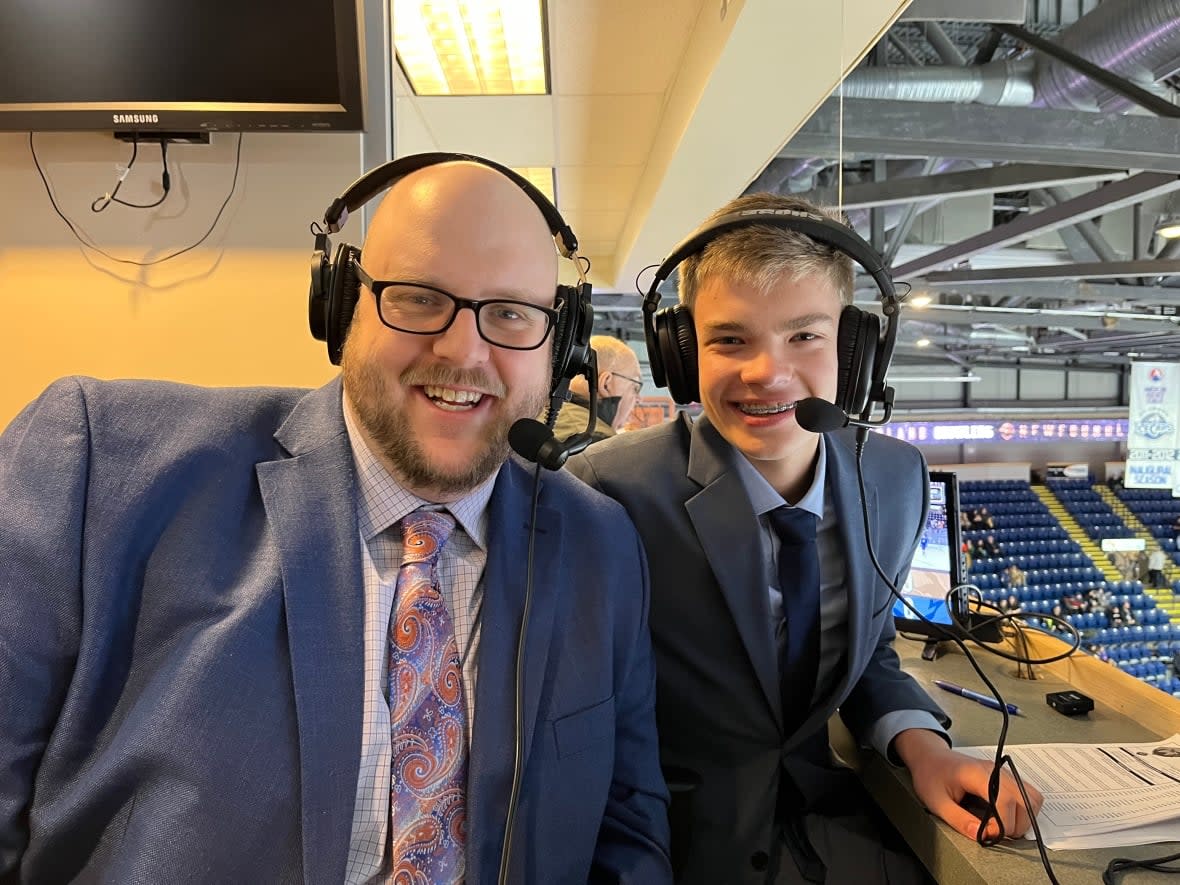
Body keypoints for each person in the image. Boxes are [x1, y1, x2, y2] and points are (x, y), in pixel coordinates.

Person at [0, 158, 672, 882]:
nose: (463, 350)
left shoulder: (598, 544)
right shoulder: (101, 465)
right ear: (341, 307)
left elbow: (627, 833)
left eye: (510, 313)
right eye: (418, 298)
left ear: (558, 344)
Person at [567, 192, 1041, 884]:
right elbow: (588, 727)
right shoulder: (610, 492)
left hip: (837, 835)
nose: (767, 371)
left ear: (856, 351)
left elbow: (870, 656)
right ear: (678, 348)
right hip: (676, 851)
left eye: (805, 336)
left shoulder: (894, 477)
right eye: (730, 339)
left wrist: (922, 746)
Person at [550, 333, 643, 444]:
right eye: (635, 388)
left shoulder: (550, 415)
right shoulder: (596, 441)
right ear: (606, 385)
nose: (639, 399)